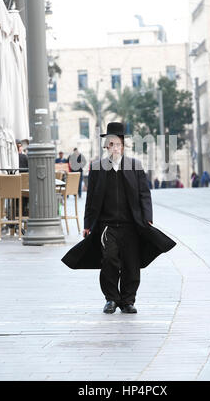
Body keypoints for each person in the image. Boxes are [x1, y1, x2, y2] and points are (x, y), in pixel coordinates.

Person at [61, 122, 176, 314]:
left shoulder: (135, 166)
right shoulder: (97, 167)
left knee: (132, 263)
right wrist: (88, 224)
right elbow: (91, 199)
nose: (114, 147)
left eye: (118, 143)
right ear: (107, 146)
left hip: (131, 225)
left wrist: (147, 217)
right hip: (107, 226)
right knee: (109, 260)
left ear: (123, 145)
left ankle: (128, 300)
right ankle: (111, 299)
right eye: (111, 143)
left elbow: (144, 194)